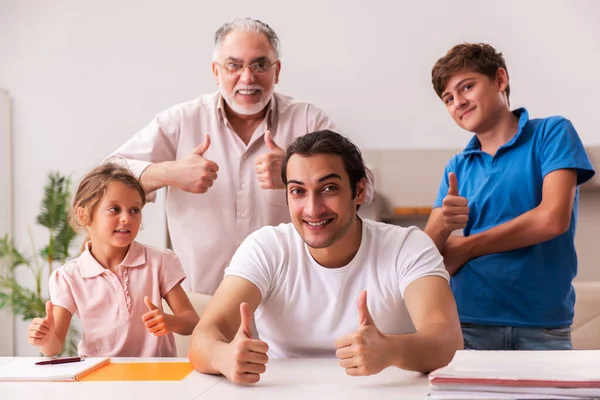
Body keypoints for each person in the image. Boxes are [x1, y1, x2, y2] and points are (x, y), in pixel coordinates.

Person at [104, 17, 373, 294]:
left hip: (291, 297)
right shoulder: (182, 120)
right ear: (216, 71)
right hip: (199, 299)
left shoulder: (307, 119)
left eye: (260, 65)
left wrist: (293, 173)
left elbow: (367, 185)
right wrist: (169, 172)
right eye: (234, 65)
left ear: (276, 71)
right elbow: (107, 176)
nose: (248, 78)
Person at [188, 130, 462, 384]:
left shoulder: (408, 246)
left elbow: (448, 341)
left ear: (359, 190)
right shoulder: (266, 248)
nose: (312, 208)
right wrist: (221, 357)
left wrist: (391, 350)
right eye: (298, 191)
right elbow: (203, 337)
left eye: (329, 188)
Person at [424, 43, 595, 350]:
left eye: (467, 87)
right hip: (469, 324)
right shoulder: (457, 167)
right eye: (448, 98)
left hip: (544, 327)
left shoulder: (552, 133)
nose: (458, 102)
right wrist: (443, 225)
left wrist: (468, 247)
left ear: (500, 80)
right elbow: (426, 254)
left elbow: (552, 219)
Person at [27, 164, 199, 357]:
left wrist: (170, 321)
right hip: (100, 378)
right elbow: (54, 347)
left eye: (134, 210)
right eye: (114, 209)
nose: (126, 218)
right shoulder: (69, 277)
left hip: (156, 377)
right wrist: (45, 339)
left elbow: (191, 321)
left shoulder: (158, 262)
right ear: (84, 216)